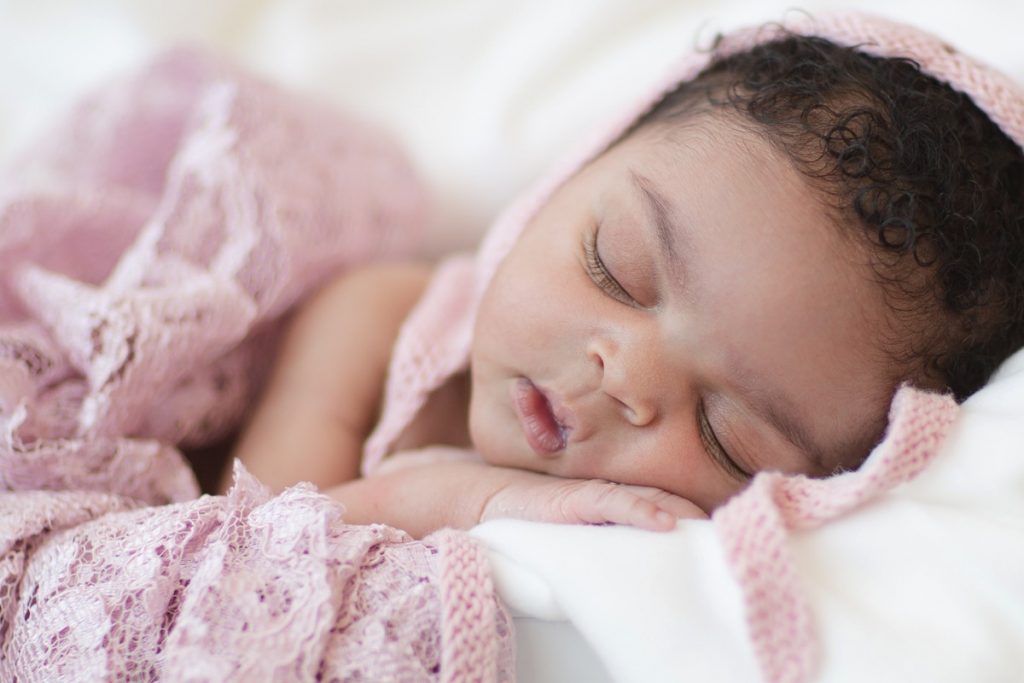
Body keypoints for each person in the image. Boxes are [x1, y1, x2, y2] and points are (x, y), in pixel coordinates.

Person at [218, 18, 1024, 539]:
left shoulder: (632, 547)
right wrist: (464, 501)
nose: (626, 374)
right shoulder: (377, 314)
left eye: (727, 433)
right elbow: (248, 547)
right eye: (616, 270)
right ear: (566, 177)